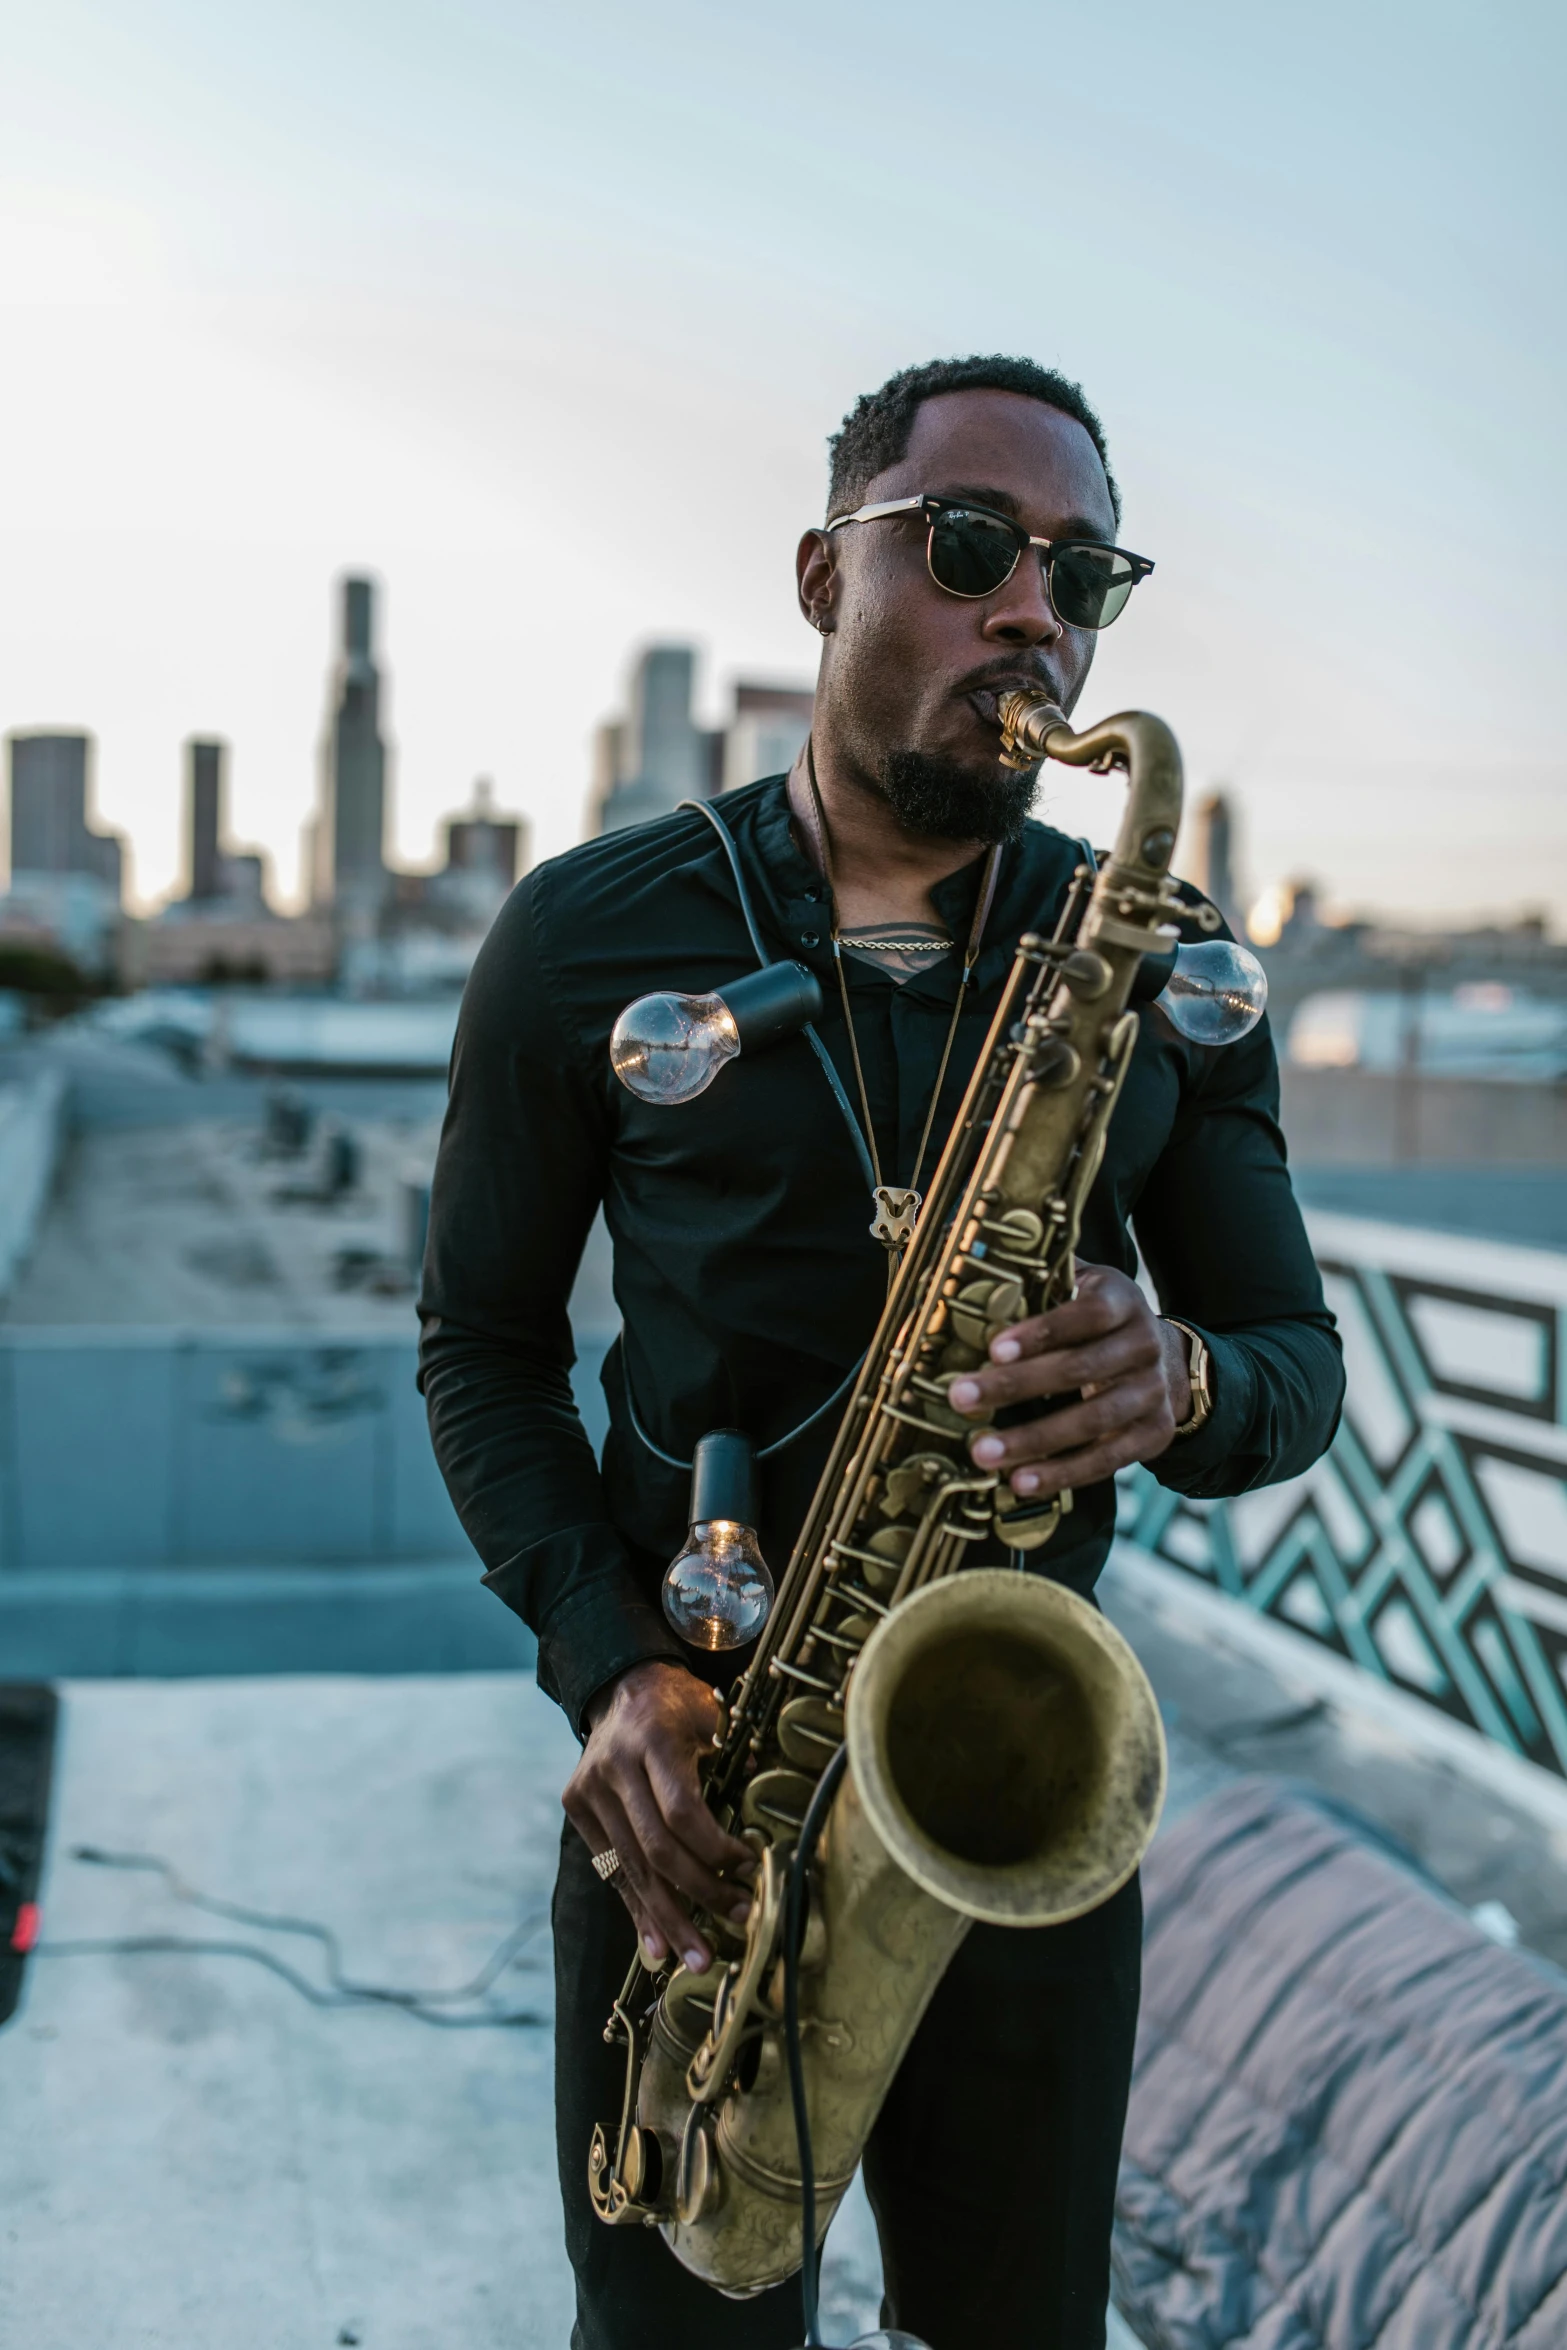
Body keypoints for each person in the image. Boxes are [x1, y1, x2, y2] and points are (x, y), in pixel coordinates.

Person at [419, 353, 1344, 2350]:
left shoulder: (1161, 963)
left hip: (1004, 1810)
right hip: (698, 1811)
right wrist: (610, 1670)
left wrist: (1181, 1377)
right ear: (827, 576)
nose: (1036, 609)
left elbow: (1294, 1359)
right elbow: (480, 1342)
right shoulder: (585, 933)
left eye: (1083, 573)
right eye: (975, 545)